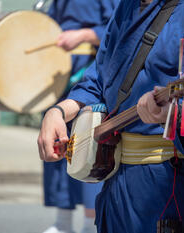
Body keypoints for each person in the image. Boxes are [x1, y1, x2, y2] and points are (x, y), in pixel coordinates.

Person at [38, 0, 184, 232]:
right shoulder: (126, 6)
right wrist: (58, 112)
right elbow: (97, 80)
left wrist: (171, 114)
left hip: (168, 184)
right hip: (115, 182)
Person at [40, 1, 119, 233]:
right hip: (61, 80)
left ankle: (89, 225)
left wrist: (85, 35)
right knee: (58, 148)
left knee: (88, 152)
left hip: (91, 80)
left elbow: (121, 27)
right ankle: (62, 222)